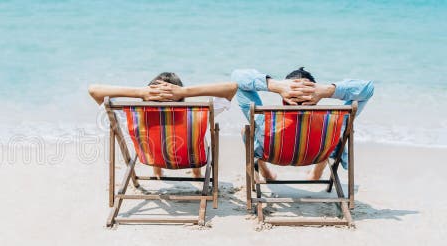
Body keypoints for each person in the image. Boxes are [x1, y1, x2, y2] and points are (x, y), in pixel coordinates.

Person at [233, 67, 374, 181]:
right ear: (316, 97)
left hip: (272, 155)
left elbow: (237, 78)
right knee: (333, 135)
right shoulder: (333, 121)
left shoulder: (263, 120)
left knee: (247, 131)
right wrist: (327, 91)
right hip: (319, 154)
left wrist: (274, 85)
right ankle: (315, 175)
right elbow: (368, 89)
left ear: (283, 97)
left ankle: (267, 174)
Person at [89, 72, 237, 178]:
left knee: (154, 135)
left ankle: (157, 172)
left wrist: (139, 92)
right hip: (193, 159)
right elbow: (232, 87)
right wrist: (185, 91)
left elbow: (94, 90)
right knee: (196, 132)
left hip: (152, 157)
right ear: (180, 97)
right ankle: (196, 173)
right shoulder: (195, 114)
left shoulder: (134, 116)